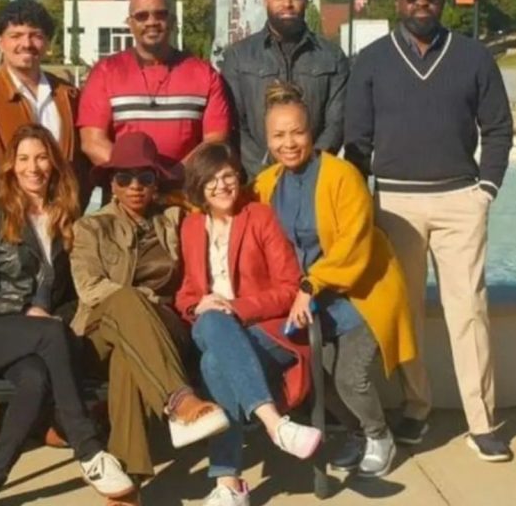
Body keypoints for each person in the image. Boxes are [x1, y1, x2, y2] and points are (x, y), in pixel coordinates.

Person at [344, 0, 514, 462]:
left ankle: (481, 422)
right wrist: (360, 208)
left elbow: (499, 128)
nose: (422, 4)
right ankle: (417, 407)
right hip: (395, 203)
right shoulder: (371, 61)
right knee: (407, 313)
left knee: (470, 313)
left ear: (442, 2)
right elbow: (357, 142)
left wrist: (486, 189)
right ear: (397, 2)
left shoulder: (474, 57)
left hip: (461, 199)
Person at [0, 124, 134, 506]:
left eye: (40, 157)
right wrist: (25, 309)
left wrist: (67, 318)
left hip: (37, 346)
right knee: (52, 334)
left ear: (53, 164)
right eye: (23, 159)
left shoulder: (66, 217)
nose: (32, 167)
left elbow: (69, 294)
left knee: (35, 379)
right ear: (11, 166)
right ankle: (88, 451)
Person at [255, 82, 417, 479]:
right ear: (267, 138)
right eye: (279, 135)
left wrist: (311, 285)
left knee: (349, 375)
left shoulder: (343, 176)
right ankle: (356, 434)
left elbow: (354, 247)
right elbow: (245, 225)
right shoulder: (265, 183)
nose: (289, 142)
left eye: (297, 132)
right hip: (310, 302)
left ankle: (380, 435)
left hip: (361, 294)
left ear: (312, 132)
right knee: (316, 373)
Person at [70, 132, 230, 502]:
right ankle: (180, 401)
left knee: (131, 353)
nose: (135, 187)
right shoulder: (91, 227)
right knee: (127, 304)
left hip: (162, 328)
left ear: (156, 181)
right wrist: (141, 298)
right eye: (124, 178)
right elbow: (90, 288)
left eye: (145, 177)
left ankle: (127, 485)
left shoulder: (173, 218)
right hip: (100, 327)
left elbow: (214, 210)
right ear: (112, 183)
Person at [176, 143, 322, 506]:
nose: (222, 185)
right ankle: (276, 425)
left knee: (213, 364)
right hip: (210, 327)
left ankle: (228, 483)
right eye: (211, 179)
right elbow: (186, 294)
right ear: (198, 186)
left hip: (264, 331)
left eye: (228, 176)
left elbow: (290, 287)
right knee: (211, 321)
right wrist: (200, 303)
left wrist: (236, 308)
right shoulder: (192, 227)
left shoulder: (259, 216)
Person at [0, 0, 92, 216]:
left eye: (36, 35)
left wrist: (73, 209)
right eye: (15, 36)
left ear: (47, 42)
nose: (26, 44)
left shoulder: (70, 97)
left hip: (63, 225)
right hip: (5, 229)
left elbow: (83, 167)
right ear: (0, 42)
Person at [77, 0, 231, 171]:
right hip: (128, 190)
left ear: (173, 21)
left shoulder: (205, 74)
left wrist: (174, 176)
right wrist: (139, 178)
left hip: (186, 190)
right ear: (130, 23)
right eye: (142, 16)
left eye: (160, 14)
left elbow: (215, 141)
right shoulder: (105, 72)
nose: (152, 22)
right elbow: (92, 142)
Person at [221, 0, 349, 178]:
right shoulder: (238, 56)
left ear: (306, 0)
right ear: (265, 0)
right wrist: (266, 171)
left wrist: (309, 166)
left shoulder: (332, 56)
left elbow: (337, 123)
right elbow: (234, 124)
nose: (287, 4)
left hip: (315, 178)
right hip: (256, 179)